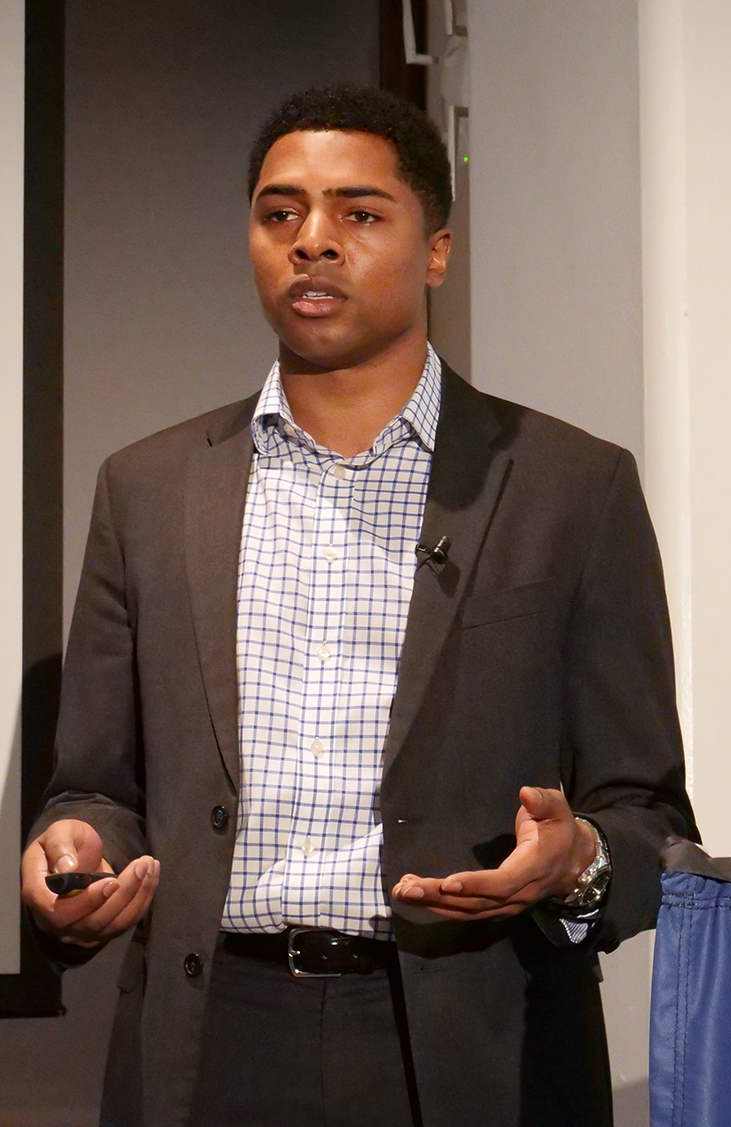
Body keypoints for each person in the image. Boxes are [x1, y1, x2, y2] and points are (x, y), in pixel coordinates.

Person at [16, 84, 696, 1127]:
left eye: (359, 213)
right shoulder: (146, 489)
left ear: (436, 248)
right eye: (279, 213)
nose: (312, 242)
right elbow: (96, 786)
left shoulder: (571, 485)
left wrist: (576, 859)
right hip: (209, 1040)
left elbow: (648, 815)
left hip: (472, 1045)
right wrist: (73, 848)